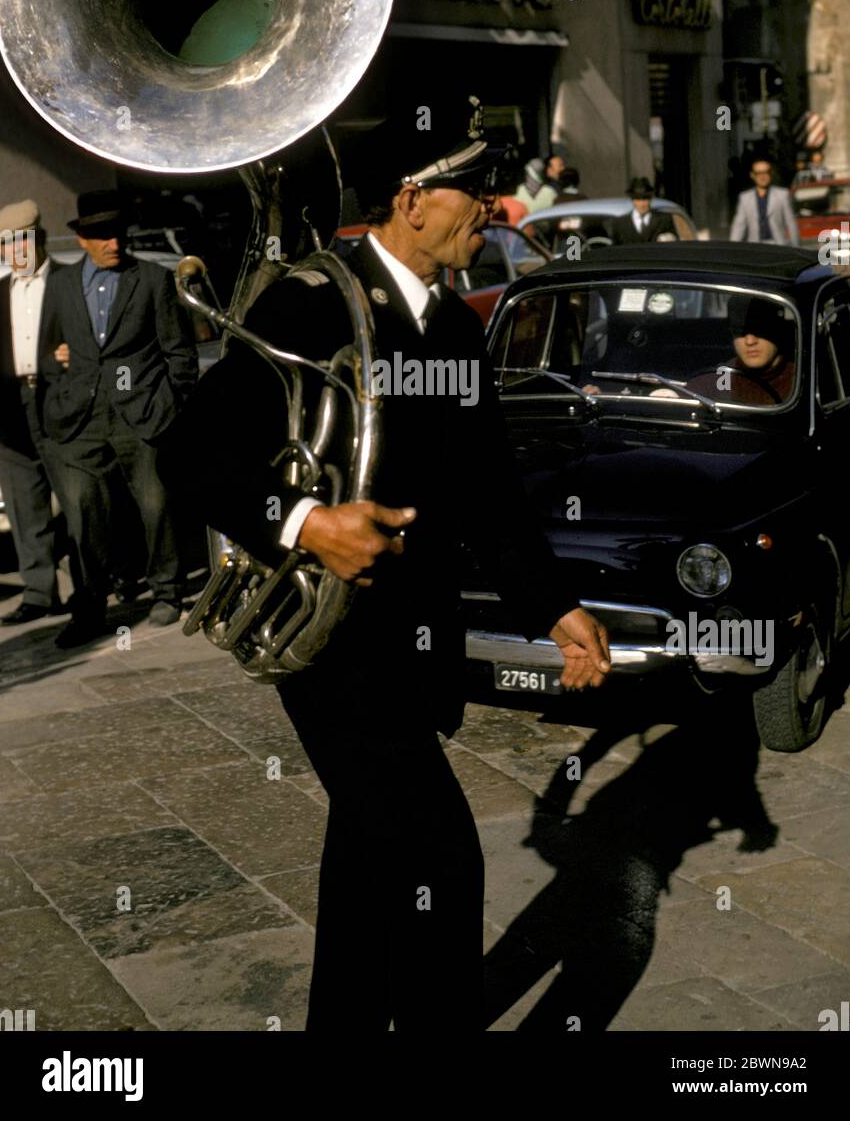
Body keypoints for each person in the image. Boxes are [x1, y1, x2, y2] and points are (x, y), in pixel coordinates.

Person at [159, 101, 612, 1031]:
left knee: (367, 861)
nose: (493, 207)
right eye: (475, 190)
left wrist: (556, 608)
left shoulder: (453, 327)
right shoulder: (309, 300)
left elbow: (488, 494)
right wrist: (306, 519)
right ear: (411, 198)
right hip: (330, 651)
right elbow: (191, 454)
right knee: (441, 858)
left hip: (415, 646)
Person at [38, 191, 198, 648]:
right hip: (79, 418)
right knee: (85, 515)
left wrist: (170, 405)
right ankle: (90, 607)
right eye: (103, 235)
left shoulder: (151, 279)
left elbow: (179, 351)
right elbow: (48, 357)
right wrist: (56, 365)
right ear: (82, 238)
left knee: (155, 504)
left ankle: (167, 591)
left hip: (141, 411)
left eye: (119, 233)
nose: (115, 243)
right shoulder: (61, 286)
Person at [0, 200, 69, 625]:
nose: (14, 253)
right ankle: (39, 594)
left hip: (61, 406)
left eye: (20, 242)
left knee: (79, 504)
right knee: (24, 506)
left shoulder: (69, 283)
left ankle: (94, 589)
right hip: (8, 411)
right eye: (5, 246)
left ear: (37, 240)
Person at [689, 297, 795, 406]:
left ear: (778, 329)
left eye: (760, 330)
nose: (750, 341)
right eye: (739, 332)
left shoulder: (800, 379)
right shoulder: (719, 380)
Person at [730, 161, 799, 244]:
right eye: (758, 173)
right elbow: (739, 225)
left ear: (771, 174)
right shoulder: (745, 198)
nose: (762, 176)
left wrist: (795, 247)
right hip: (755, 247)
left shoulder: (782, 195)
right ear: (752, 175)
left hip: (778, 245)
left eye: (766, 172)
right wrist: (732, 248)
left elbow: (790, 222)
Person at [612, 177, 677, 244]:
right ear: (632, 200)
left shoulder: (665, 220)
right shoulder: (620, 223)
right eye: (638, 199)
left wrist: (668, 238)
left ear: (650, 199)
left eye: (645, 199)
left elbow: (674, 242)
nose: (642, 204)